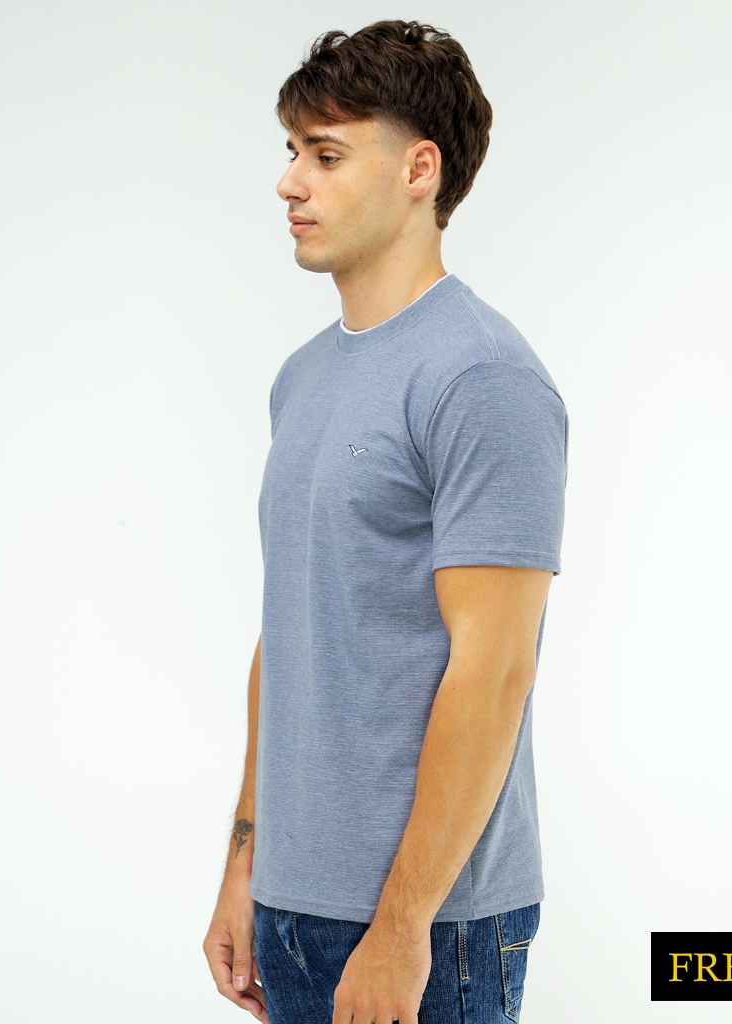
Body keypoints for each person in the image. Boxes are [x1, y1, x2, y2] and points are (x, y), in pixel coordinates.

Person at [203, 20, 568, 1024]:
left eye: (325, 155)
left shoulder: (483, 377)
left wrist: (403, 926)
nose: (289, 182)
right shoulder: (303, 378)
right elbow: (289, 632)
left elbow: (494, 670)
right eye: (291, 151)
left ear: (419, 170)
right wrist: (245, 864)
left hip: (429, 927)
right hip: (293, 904)